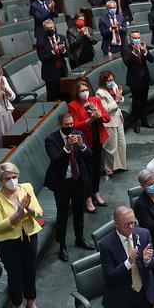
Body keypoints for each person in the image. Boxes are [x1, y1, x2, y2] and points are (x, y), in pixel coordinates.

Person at [0, 162, 45, 308]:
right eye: (7, 178)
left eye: (14, 177)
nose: (12, 181)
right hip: (8, 243)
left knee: (30, 271)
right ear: (0, 179)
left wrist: (28, 209)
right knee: (15, 276)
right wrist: (17, 215)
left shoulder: (26, 188)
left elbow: (39, 212)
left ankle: (31, 303)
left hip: (29, 236)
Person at [44, 111, 93, 263]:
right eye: (67, 125)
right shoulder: (51, 139)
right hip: (62, 183)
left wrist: (82, 145)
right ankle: (62, 245)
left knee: (79, 212)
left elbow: (89, 155)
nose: (70, 127)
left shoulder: (78, 134)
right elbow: (55, 159)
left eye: (71, 124)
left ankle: (79, 238)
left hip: (77, 180)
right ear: (60, 125)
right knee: (62, 215)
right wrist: (66, 147)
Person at [98, 206, 154, 308]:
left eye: (133, 222)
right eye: (126, 224)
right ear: (116, 224)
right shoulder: (106, 244)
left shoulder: (143, 234)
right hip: (123, 300)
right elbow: (110, 277)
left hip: (145, 294)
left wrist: (147, 261)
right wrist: (128, 263)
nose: (131, 227)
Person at [68, 79, 110, 210]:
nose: (85, 93)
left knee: (96, 168)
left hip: (97, 138)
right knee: (86, 170)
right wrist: (89, 120)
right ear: (77, 93)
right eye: (82, 91)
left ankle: (96, 193)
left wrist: (99, 116)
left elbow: (107, 117)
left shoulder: (95, 100)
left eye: (86, 90)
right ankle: (88, 199)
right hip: (84, 142)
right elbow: (74, 125)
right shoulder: (73, 105)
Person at [124, 30, 154, 134]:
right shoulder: (127, 49)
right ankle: (136, 123)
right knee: (136, 102)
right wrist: (134, 52)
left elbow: (152, 60)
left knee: (144, 101)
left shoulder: (142, 48)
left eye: (138, 37)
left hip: (145, 79)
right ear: (130, 38)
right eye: (134, 38)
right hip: (134, 80)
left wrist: (145, 50)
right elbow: (127, 62)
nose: (137, 39)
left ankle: (144, 121)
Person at [96, 70, 127, 175]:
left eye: (112, 80)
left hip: (118, 119)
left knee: (121, 144)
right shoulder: (99, 93)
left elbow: (120, 100)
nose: (112, 82)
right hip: (109, 122)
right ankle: (108, 169)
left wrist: (119, 96)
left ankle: (121, 166)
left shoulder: (113, 88)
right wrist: (117, 100)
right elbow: (105, 109)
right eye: (109, 80)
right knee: (111, 147)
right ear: (103, 81)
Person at [37, 18, 68, 103]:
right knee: (52, 98)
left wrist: (63, 51)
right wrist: (53, 51)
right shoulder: (40, 42)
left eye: (52, 27)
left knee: (65, 96)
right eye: (48, 28)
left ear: (54, 27)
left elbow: (67, 54)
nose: (51, 29)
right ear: (44, 29)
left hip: (62, 71)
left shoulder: (61, 37)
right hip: (50, 74)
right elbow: (42, 58)